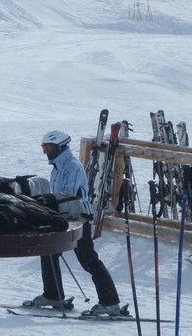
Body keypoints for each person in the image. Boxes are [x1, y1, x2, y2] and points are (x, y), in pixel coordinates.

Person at [26, 129, 123, 317]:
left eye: (49, 148)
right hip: (63, 216)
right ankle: (53, 295)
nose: (46, 153)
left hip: (78, 217)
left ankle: (110, 302)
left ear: (60, 147)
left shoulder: (71, 167)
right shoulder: (58, 167)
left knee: (88, 259)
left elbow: (67, 196)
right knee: (49, 252)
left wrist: (47, 204)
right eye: (44, 149)